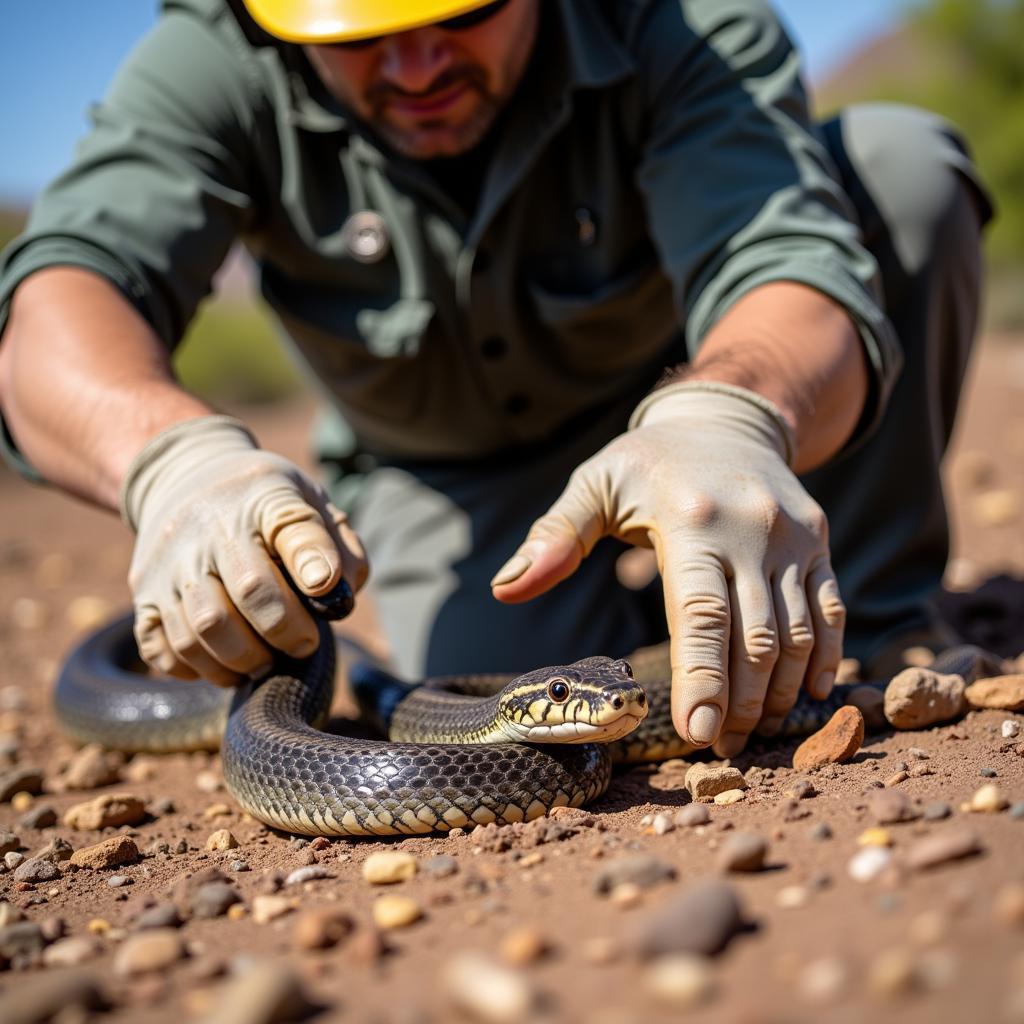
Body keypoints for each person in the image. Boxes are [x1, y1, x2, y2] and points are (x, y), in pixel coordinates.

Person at [0, 0, 992, 758]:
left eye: (461, 12)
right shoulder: (214, 54)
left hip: (686, 392)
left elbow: (788, 262)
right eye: (360, 31)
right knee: (484, 702)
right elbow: (59, 308)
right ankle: (704, 621)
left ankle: (861, 616)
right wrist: (172, 462)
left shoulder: (675, 20)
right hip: (448, 475)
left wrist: (729, 415)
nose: (417, 65)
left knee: (895, 166)